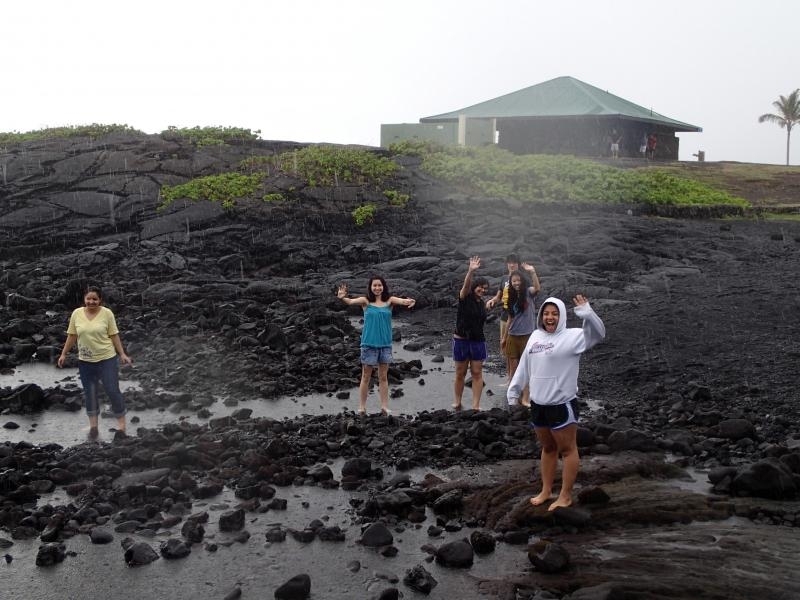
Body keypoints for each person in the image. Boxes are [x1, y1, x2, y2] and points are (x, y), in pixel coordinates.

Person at [508, 294, 605, 511]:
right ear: (541, 315)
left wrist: (587, 313)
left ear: (561, 317)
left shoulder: (573, 337)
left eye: (554, 314)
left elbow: (599, 334)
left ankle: (565, 495)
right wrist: (514, 391)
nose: (550, 317)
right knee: (548, 447)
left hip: (562, 404)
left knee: (568, 449)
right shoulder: (535, 336)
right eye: (546, 313)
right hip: (538, 404)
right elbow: (524, 365)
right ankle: (546, 490)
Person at [57, 286, 133, 438]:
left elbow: (114, 335)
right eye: (88, 299)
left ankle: (122, 426)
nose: (91, 302)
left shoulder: (107, 313)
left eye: (95, 299)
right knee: (90, 393)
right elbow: (72, 335)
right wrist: (63, 354)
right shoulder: (77, 314)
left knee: (112, 390)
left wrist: (122, 354)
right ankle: (93, 427)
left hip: (107, 359)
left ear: (100, 300)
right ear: (84, 299)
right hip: (85, 361)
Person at [337, 277, 415, 415]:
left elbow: (402, 301)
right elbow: (350, 302)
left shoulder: (389, 301)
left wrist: (410, 301)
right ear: (370, 287)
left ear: (383, 287)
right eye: (374, 285)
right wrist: (343, 297)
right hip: (368, 345)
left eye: (379, 285)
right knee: (366, 377)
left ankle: (384, 406)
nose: (377, 288)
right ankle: (362, 407)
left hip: (385, 345)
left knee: (383, 377)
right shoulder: (365, 301)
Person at [453, 256, 490, 410]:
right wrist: (470, 271)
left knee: (477, 372)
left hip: (477, 341)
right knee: (460, 372)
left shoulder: (481, 303)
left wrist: (493, 302)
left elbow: (481, 317)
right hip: (461, 339)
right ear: (474, 286)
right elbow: (466, 286)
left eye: (485, 288)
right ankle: (457, 402)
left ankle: (476, 405)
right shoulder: (465, 297)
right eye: (480, 287)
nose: (482, 290)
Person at [500, 263, 540, 406]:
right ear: (510, 283)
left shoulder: (528, 293)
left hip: (527, 336)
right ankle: (512, 395)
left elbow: (537, 288)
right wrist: (504, 338)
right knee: (513, 367)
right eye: (514, 281)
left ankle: (525, 397)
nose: (516, 283)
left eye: (518, 280)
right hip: (512, 335)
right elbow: (510, 318)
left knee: (527, 368)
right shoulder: (510, 297)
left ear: (522, 281)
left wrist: (533, 272)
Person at [486, 253, 521, 385]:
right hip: (504, 316)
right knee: (505, 347)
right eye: (509, 262)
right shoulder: (504, 278)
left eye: (514, 262)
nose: (511, 265)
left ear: (518, 264)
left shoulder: (521, 279)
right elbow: (499, 295)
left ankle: (517, 379)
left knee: (516, 349)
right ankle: (509, 378)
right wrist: (493, 300)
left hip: (517, 318)